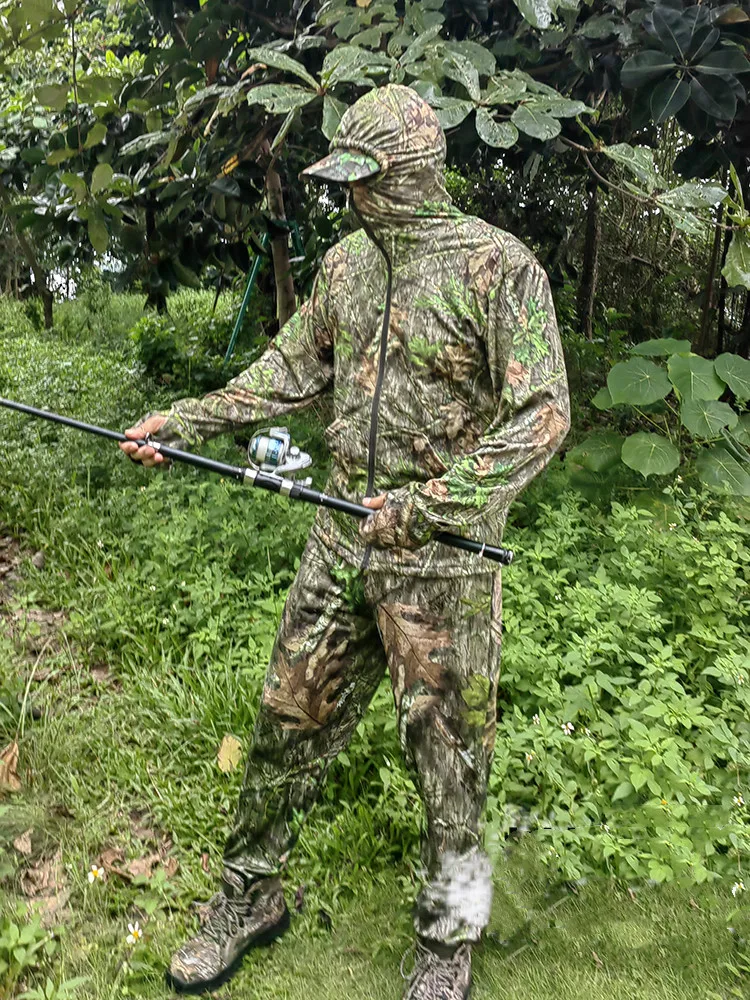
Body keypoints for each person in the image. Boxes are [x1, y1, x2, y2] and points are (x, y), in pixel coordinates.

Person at [121, 84, 570, 1000]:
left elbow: (542, 415)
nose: (350, 199)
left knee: (452, 757)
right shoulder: (347, 268)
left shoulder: (499, 267)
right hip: (341, 542)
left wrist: (439, 501)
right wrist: (186, 420)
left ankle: (451, 937)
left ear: (407, 177)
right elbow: (292, 368)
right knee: (286, 719)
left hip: (440, 566)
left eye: (363, 183)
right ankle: (248, 898)